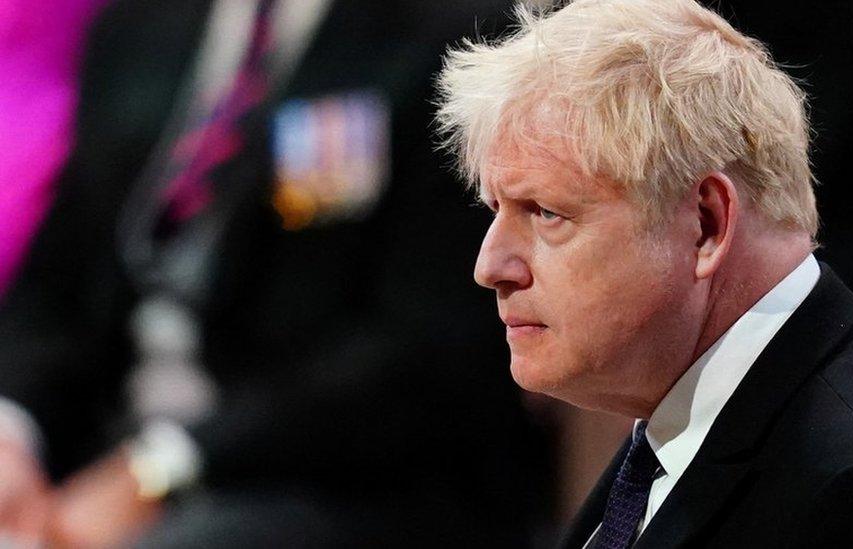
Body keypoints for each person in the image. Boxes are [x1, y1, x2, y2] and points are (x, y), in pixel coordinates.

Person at [0, 0, 547, 547]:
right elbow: (57, 280)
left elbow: (428, 348)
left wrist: (165, 465)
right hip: (107, 449)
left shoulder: (459, 32)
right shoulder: (141, 22)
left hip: (335, 479)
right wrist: (14, 434)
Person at [434, 0, 853, 547]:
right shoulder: (679, 417)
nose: (490, 267)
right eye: (495, 209)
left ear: (706, 225)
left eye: (546, 212)